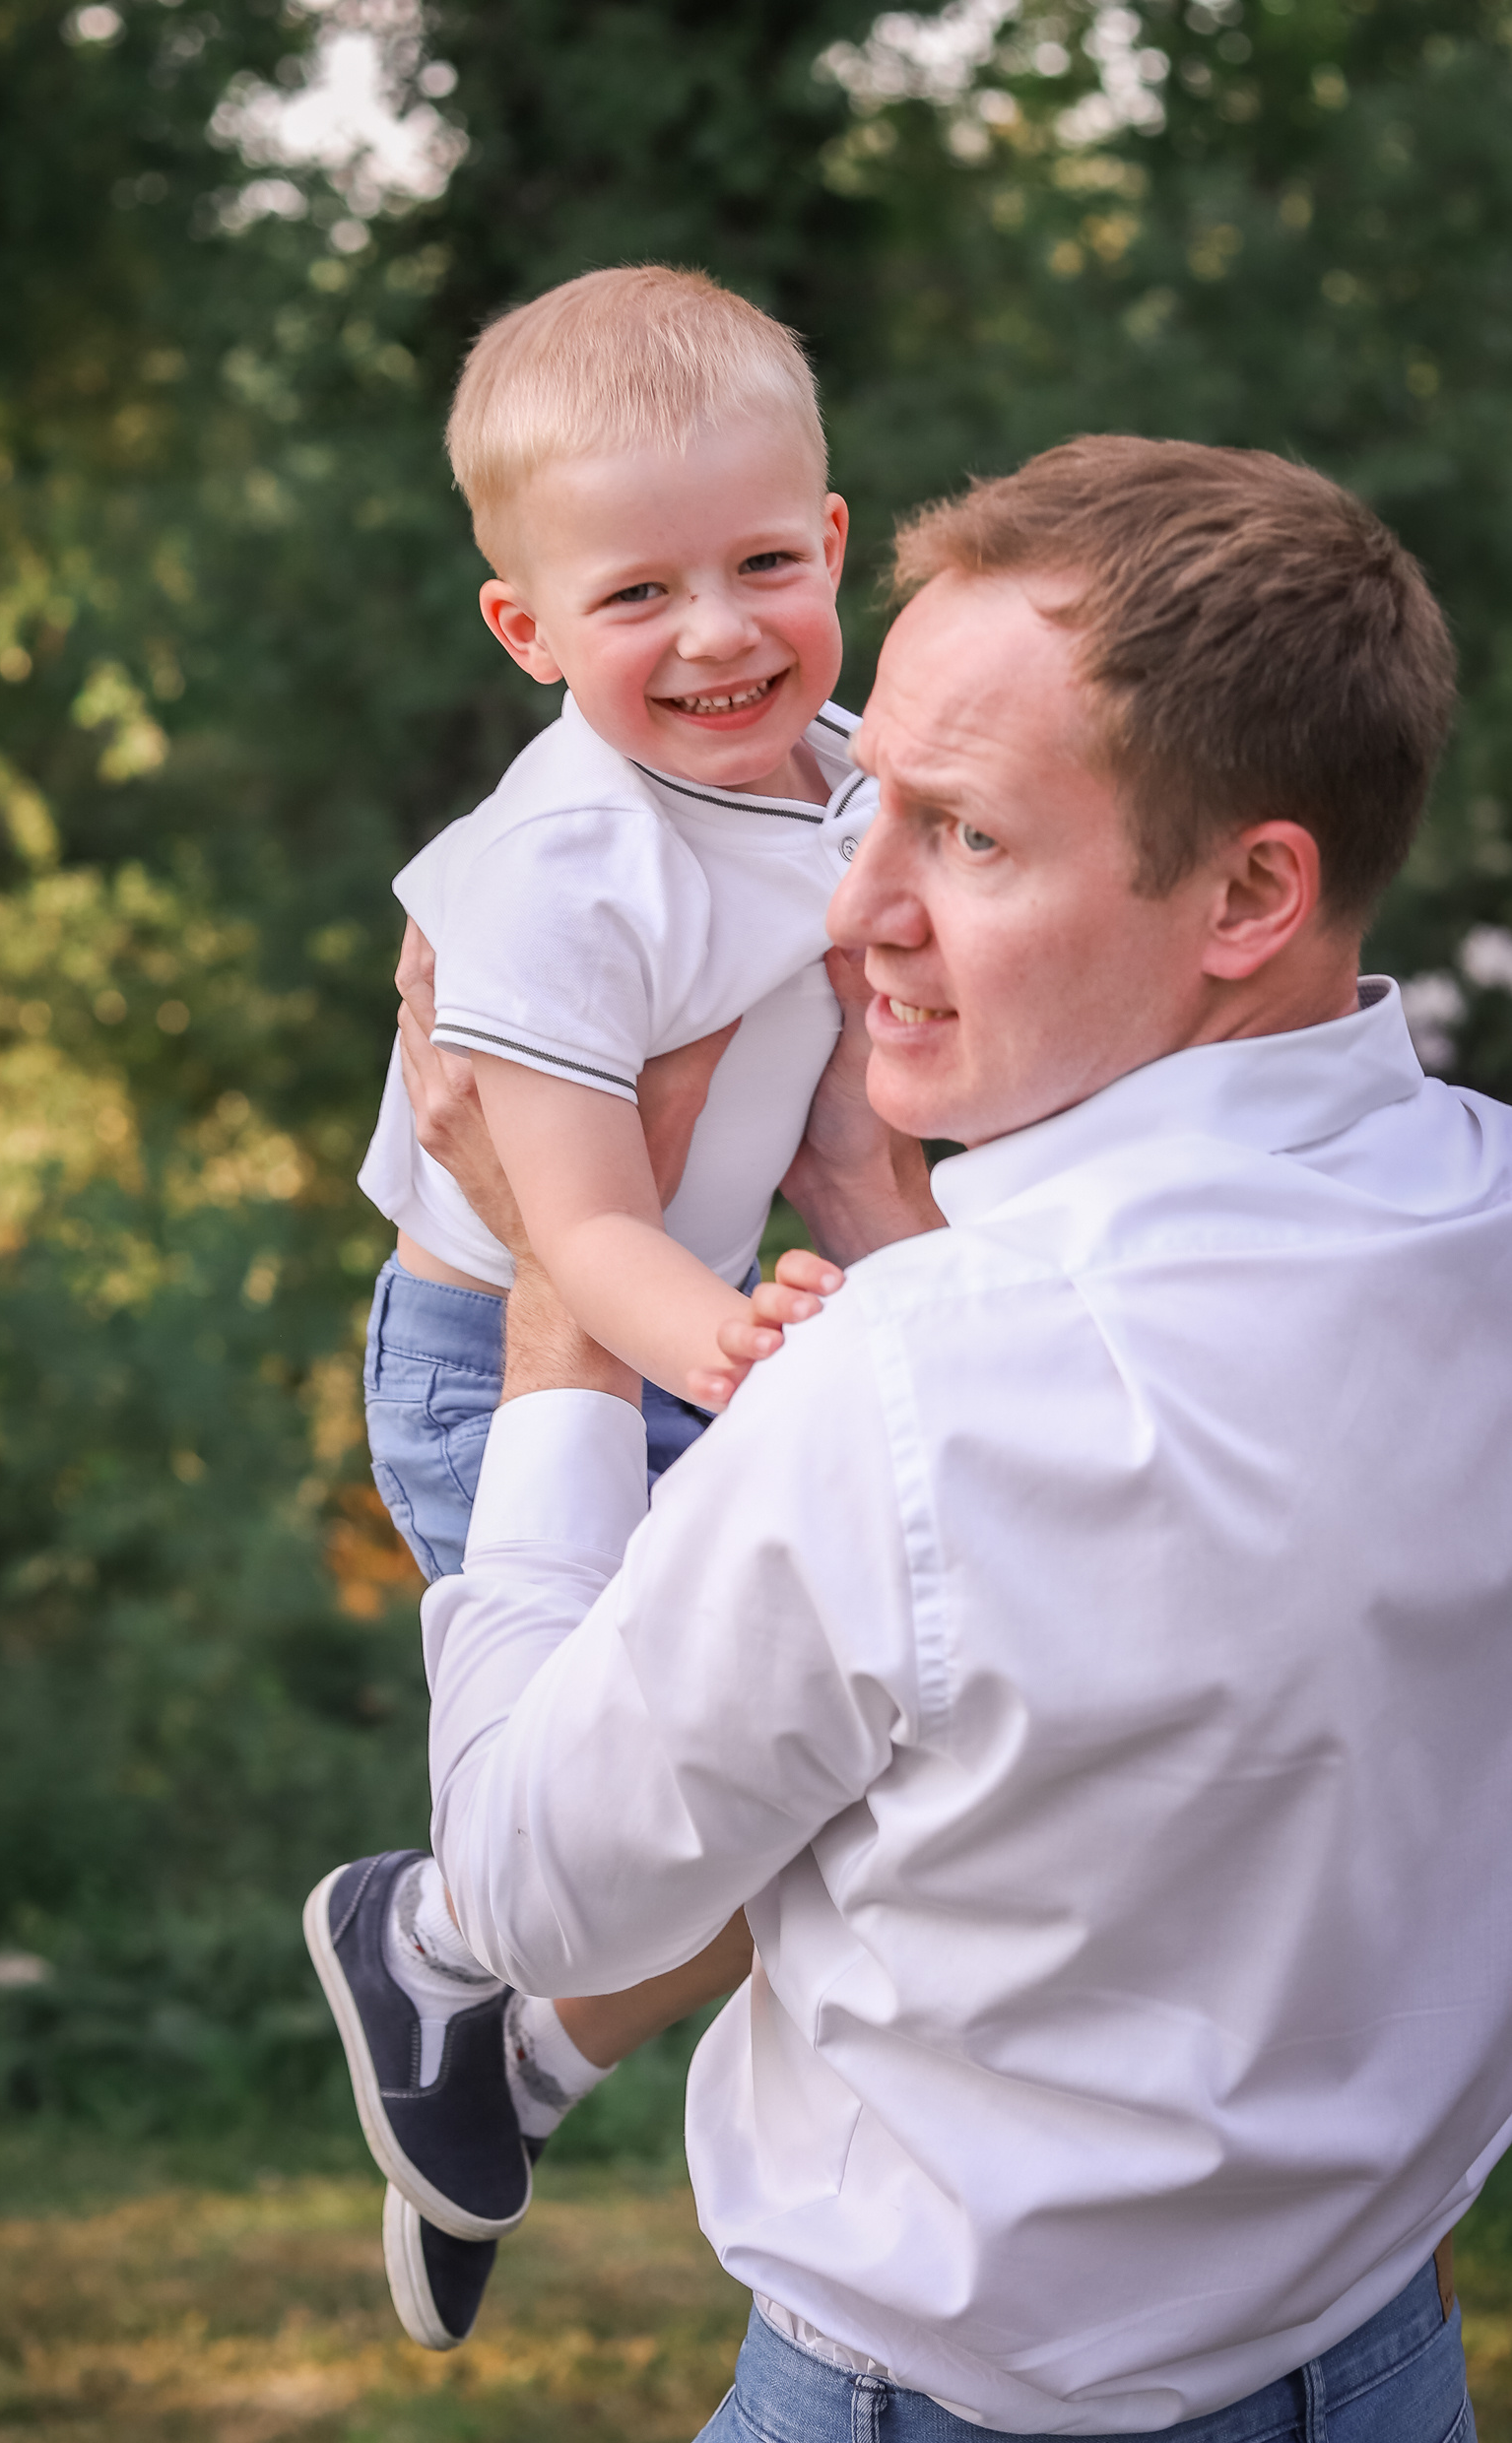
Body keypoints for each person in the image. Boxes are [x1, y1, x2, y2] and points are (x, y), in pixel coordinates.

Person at [390, 437, 1512, 2434]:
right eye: (861, 802)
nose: (850, 905)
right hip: (1387, 2361)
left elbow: (534, 1891)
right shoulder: (1479, 1232)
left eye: (961, 838)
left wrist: (563, 1298)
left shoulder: (902, 1388)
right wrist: (892, 1228)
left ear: (1250, 887)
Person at [303, 264, 876, 2342]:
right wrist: (729, 1352)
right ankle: (446, 1929)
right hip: (515, 1357)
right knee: (632, 1805)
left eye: (752, 564)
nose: (713, 631)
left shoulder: (851, 770)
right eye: (635, 596)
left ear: (831, 546)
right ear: (526, 631)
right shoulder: (559, 868)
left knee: (831, 1767)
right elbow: (572, 1223)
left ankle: (489, 2027)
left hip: (694, 1324)